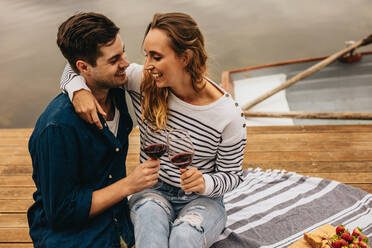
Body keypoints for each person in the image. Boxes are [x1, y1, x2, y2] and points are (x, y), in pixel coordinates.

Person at [60, 12, 247, 248]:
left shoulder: (228, 115)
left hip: (203, 201)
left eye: (156, 57)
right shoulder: (143, 80)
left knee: (183, 235)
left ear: (185, 58)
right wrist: (78, 90)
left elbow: (232, 176)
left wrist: (205, 183)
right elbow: (77, 67)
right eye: (146, 55)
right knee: (149, 223)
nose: (147, 65)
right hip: (152, 191)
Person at [27, 12, 160, 248]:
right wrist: (129, 185)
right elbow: (61, 212)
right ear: (83, 67)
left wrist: (77, 87)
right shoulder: (57, 128)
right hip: (71, 234)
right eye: (114, 59)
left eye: (123, 52)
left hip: (115, 215)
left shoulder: (115, 90)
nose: (125, 64)